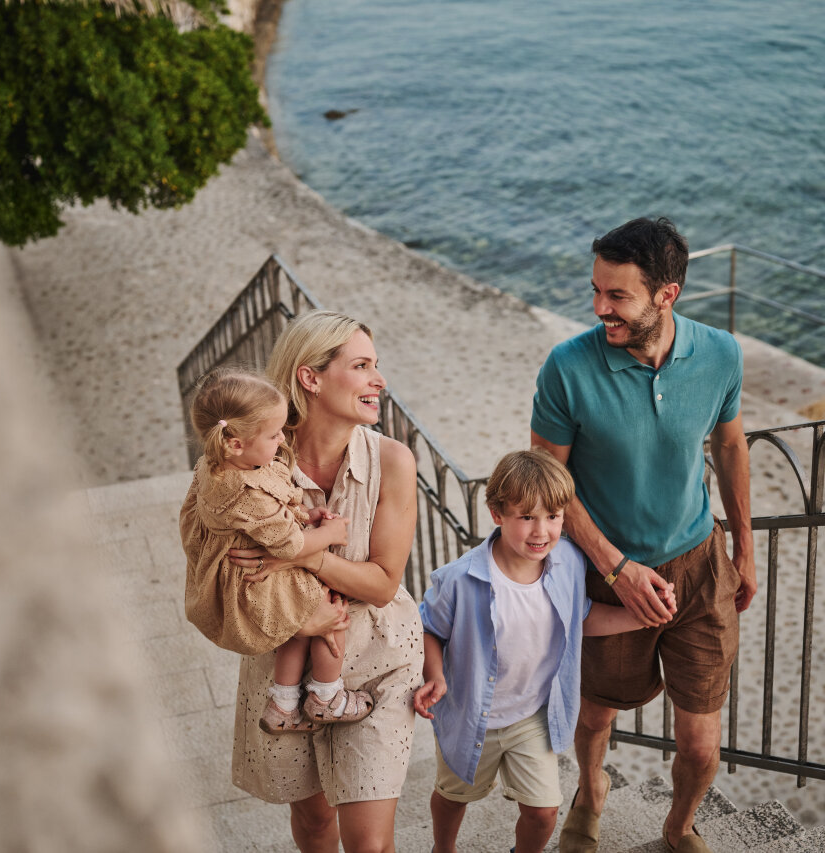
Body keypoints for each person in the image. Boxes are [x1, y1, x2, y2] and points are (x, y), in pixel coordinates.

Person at [530, 217, 756, 853]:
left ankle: (679, 826)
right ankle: (591, 787)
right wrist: (615, 567)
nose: (602, 308)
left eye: (618, 296)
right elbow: (550, 482)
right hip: (605, 574)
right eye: (597, 291)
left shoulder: (721, 354)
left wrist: (745, 544)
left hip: (700, 566)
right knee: (596, 712)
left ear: (667, 294)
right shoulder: (567, 368)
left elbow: (731, 443)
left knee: (701, 741)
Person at [219, 310, 421, 853]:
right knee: (312, 825)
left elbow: (381, 584)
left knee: (369, 844)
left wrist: (297, 556)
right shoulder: (255, 461)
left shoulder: (395, 461)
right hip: (281, 662)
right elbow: (230, 565)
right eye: (361, 366)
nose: (379, 380)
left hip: (377, 661)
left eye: (376, 366)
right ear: (310, 377)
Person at [413, 450, 669, 853]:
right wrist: (436, 674)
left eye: (553, 516)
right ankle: (442, 848)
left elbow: (580, 616)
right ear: (497, 513)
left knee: (545, 811)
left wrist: (640, 616)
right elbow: (429, 627)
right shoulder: (460, 579)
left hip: (533, 716)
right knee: (452, 796)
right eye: (526, 517)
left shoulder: (568, 561)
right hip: (468, 716)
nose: (542, 531)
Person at [179, 368, 374, 733]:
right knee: (331, 611)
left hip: (244, 569)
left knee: (296, 625)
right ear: (235, 443)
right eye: (272, 435)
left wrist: (302, 513)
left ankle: (282, 706)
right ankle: (327, 697)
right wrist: (329, 530)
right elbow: (292, 545)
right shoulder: (246, 489)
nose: (281, 440)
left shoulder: (217, 465)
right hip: (255, 582)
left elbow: (268, 519)